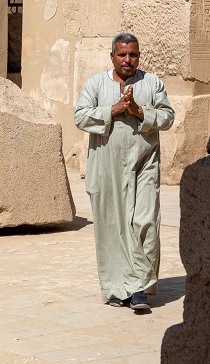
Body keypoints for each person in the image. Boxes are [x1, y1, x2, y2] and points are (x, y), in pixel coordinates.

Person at [73, 32, 175, 312]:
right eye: (122, 55)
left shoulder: (151, 83)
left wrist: (140, 111)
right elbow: (80, 116)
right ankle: (118, 288)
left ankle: (140, 288)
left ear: (139, 56)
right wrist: (114, 109)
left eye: (133, 55)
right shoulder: (96, 84)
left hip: (144, 164)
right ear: (112, 57)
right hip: (106, 168)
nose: (128, 60)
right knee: (112, 228)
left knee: (145, 222)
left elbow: (168, 116)